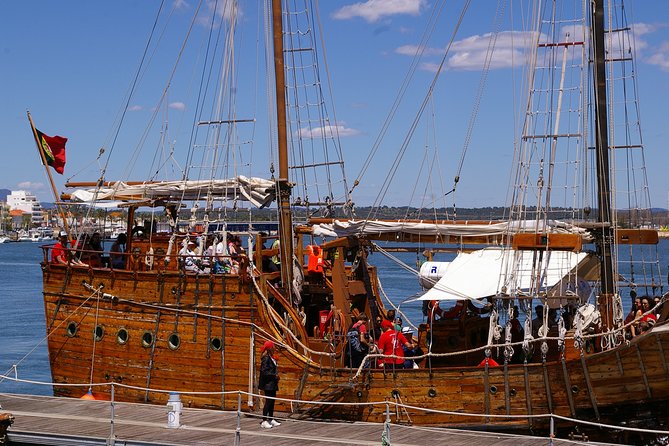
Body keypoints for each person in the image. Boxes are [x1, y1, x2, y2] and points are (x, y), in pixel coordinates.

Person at [259, 340, 281, 429]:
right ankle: (264, 420)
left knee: (272, 401)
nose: (274, 348)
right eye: (273, 346)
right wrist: (274, 375)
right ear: (270, 348)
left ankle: (271, 418)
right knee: (268, 402)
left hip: (273, 383)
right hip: (268, 384)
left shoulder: (271, 357)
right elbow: (264, 371)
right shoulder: (266, 359)